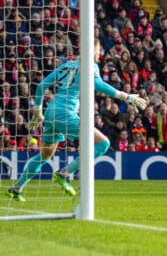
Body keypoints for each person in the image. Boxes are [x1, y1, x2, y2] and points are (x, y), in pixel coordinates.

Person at [6, 40, 147, 202]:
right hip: (65, 113)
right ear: (91, 51)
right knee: (103, 144)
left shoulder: (67, 65)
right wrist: (125, 96)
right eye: (97, 49)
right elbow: (97, 84)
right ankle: (64, 173)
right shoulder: (90, 66)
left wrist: (38, 109)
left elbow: (41, 86)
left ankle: (16, 188)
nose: (98, 53)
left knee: (45, 155)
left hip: (51, 112)